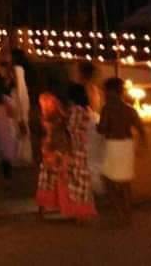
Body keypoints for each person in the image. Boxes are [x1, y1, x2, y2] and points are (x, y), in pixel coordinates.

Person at [97, 77, 146, 225]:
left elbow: (103, 128)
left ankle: (119, 212)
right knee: (125, 182)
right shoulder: (129, 109)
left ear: (111, 91)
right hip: (127, 145)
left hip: (113, 145)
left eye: (105, 91)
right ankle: (128, 214)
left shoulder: (107, 108)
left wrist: (96, 126)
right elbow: (140, 128)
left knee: (108, 180)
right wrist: (142, 144)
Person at [65, 84, 98, 220]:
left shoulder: (76, 111)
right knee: (83, 180)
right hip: (85, 147)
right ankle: (84, 211)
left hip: (78, 148)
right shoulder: (87, 110)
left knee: (78, 181)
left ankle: (80, 213)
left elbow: (72, 128)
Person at [36, 92, 71, 218]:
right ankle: (44, 207)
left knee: (58, 178)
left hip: (58, 147)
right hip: (50, 147)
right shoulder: (46, 116)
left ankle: (63, 206)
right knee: (47, 178)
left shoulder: (59, 116)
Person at [10, 50, 32, 166]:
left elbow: (20, 90)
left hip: (20, 101)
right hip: (19, 100)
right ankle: (22, 154)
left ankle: (22, 155)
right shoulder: (19, 70)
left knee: (20, 127)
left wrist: (21, 112)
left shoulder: (18, 70)